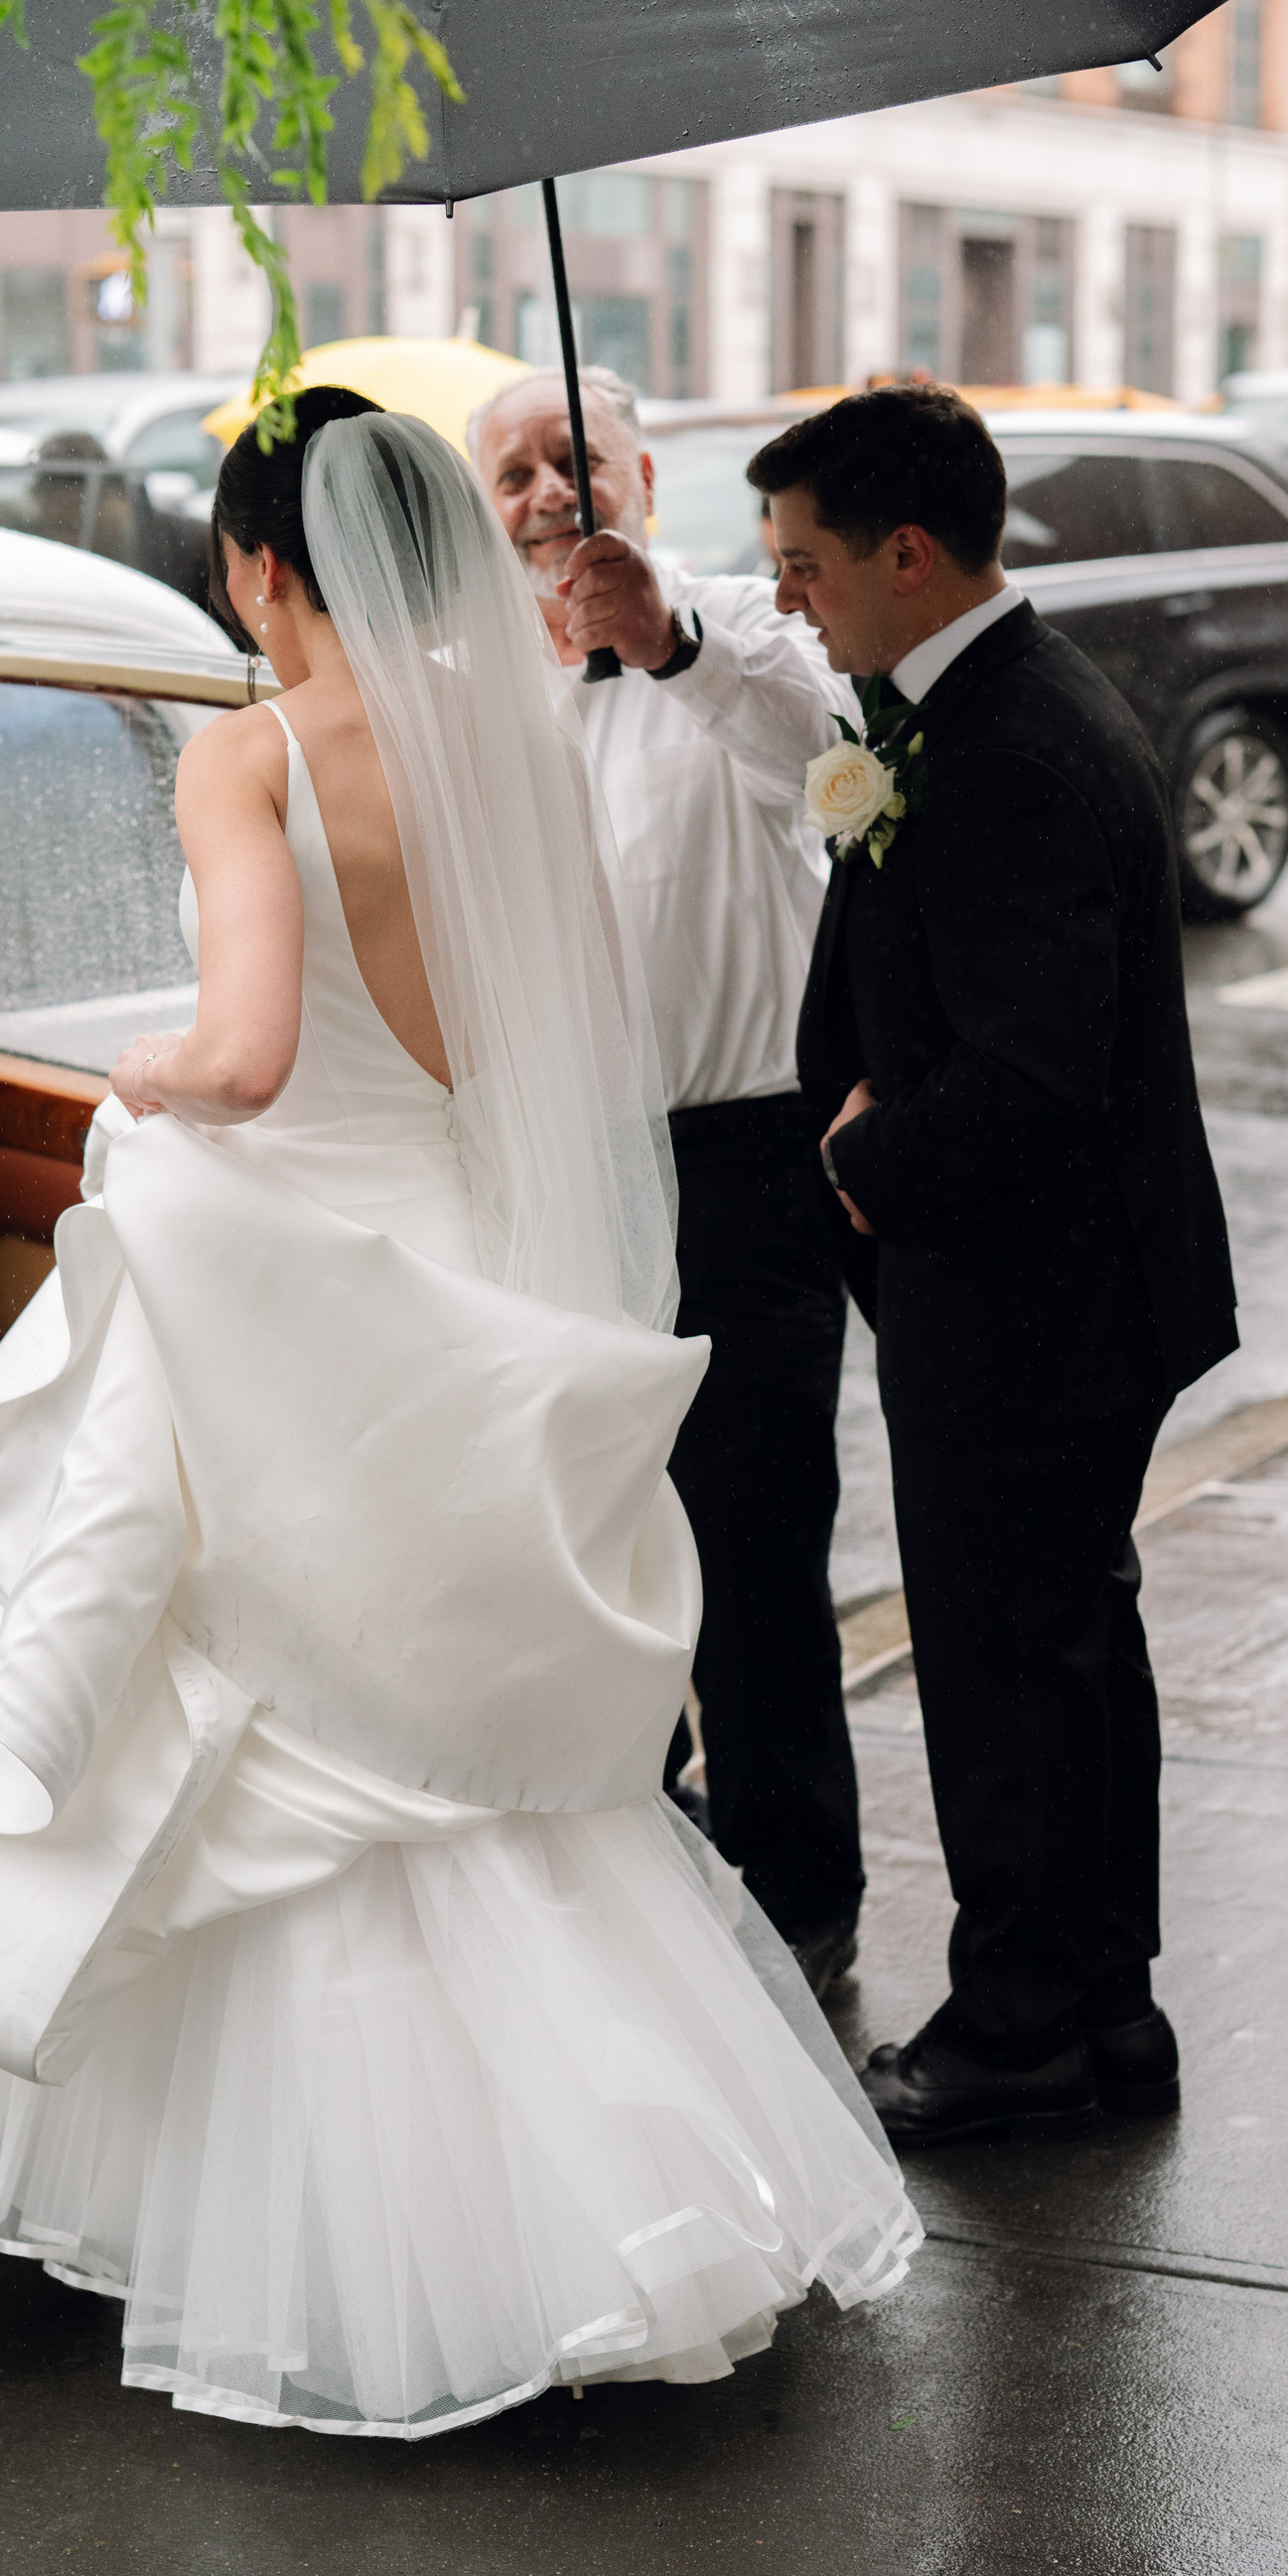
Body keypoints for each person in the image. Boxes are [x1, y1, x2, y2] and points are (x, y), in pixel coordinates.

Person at [0, 390, 919, 2436]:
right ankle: (610, 2210)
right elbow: (536, 1049)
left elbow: (244, 1049)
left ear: (255, 567)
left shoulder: (246, 752)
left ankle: (272, 2226)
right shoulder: (512, 744)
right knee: (472, 1757)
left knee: (259, 1717)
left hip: (286, 1289)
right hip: (463, 1266)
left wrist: (145, 1076)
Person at [759, 384, 1237, 2147]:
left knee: (1004, 1663)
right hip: (1064, 1288)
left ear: (905, 551)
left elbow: (1037, 1075)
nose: (793, 599)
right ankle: (1107, 2008)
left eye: (806, 566)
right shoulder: (987, 708)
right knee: (1066, 1646)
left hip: (1033, 1292)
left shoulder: (1010, 748)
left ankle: (1020, 2024)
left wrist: (857, 1152)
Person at [470, 368, 866, 1998]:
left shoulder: (748, 638)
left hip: (745, 1163)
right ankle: (648, 1837)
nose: (551, 491)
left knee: (757, 1542)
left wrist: (672, 646)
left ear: (641, 471)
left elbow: (832, 752)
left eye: (577, 457)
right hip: (563, 1170)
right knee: (594, 1537)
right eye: (515, 474)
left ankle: (799, 1886)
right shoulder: (479, 691)